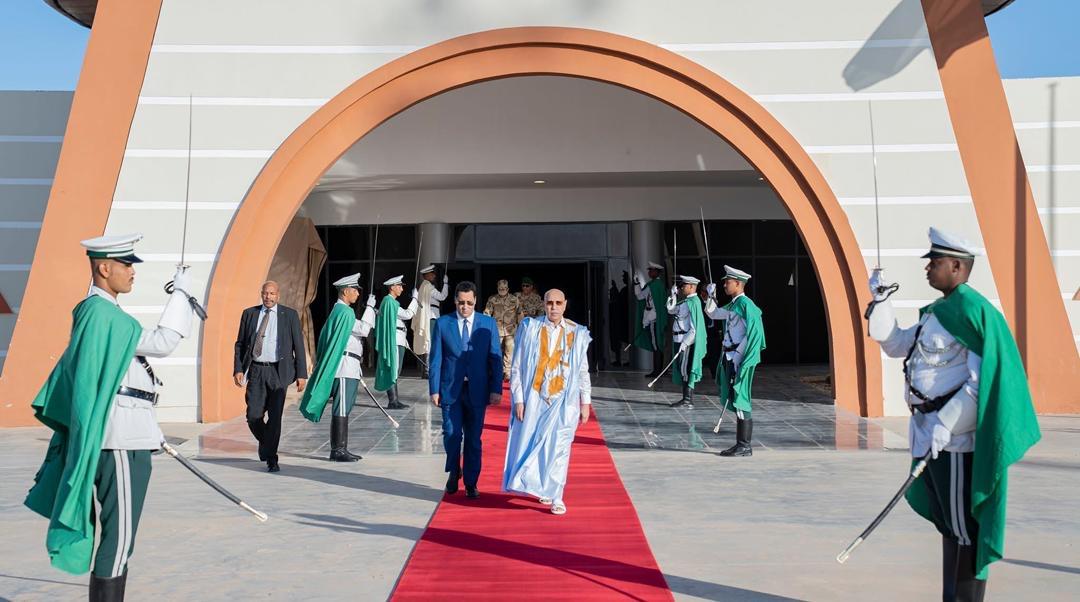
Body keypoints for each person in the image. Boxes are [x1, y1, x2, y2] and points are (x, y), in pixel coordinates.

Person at [867, 228, 1040, 600]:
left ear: (957, 267)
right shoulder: (937, 313)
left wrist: (946, 424)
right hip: (927, 434)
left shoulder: (973, 312)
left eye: (935, 262)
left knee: (964, 529)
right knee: (948, 525)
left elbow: (980, 383)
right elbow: (897, 345)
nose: (928, 268)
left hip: (954, 439)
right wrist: (881, 301)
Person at [24, 234, 196, 599]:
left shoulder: (101, 314)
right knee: (119, 540)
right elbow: (163, 342)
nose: (132, 272)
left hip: (127, 434)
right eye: (126, 264)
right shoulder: (104, 315)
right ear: (104, 268)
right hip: (120, 441)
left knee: (119, 538)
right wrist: (181, 294)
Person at [503, 289, 592, 516]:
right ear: (543, 304)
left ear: (565, 305)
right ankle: (543, 486)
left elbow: (583, 370)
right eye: (550, 303)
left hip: (564, 400)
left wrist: (585, 402)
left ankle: (557, 495)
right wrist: (519, 399)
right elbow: (517, 367)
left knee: (560, 447)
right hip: (535, 398)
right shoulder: (530, 328)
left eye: (558, 303)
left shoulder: (577, 333)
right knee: (536, 445)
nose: (554, 307)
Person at [429, 281, 503, 498]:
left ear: (475, 301)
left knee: (473, 439)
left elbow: (495, 359)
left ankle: (471, 482)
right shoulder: (443, 324)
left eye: (469, 303)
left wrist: (496, 388)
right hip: (450, 389)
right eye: (461, 302)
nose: (465, 307)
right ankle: (454, 470)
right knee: (451, 434)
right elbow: (436, 359)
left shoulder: (488, 324)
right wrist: (434, 389)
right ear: (455, 301)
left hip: (477, 390)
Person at [298, 273, 375, 461]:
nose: (357, 293)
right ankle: (338, 449)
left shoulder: (339, 312)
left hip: (348, 366)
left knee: (344, 407)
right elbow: (364, 330)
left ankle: (340, 448)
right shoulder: (345, 312)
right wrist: (370, 309)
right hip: (345, 368)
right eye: (355, 290)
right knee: (341, 408)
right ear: (345, 291)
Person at [233, 280, 308, 472]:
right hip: (256, 370)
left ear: (278, 295)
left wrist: (301, 373)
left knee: (275, 418)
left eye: (272, 293)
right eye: (266, 293)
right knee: (253, 416)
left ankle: (271, 459)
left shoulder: (289, 315)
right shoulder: (249, 314)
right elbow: (240, 344)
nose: (268, 297)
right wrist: (238, 368)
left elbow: (298, 345)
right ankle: (267, 444)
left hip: (278, 372)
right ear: (261, 294)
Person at [704, 266, 765, 457]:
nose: (724, 285)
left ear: (738, 283)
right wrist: (710, 297)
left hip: (739, 358)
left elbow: (753, 333)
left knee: (741, 398)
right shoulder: (734, 305)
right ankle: (741, 444)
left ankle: (744, 445)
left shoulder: (746, 305)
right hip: (730, 357)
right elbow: (714, 314)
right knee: (735, 396)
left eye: (727, 282)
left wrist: (739, 356)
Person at [374, 275, 418, 409]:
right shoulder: (390, 302)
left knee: (395, 370)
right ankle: (393, 401)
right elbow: (408, 314)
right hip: (394, 340)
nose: (402, 289)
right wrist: (415, 299)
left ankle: (395, 400)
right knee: (393, 370)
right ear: (392, 287)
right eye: (399, 286)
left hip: (399, 338)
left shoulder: (390, 302)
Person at [666, 275, 707, 409]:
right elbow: (671, 310)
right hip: (678, 339)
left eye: (684, 285)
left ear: (691, 286)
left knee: (685, 370)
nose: (681, 288)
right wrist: (672, 296)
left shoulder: (694, 302)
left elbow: (694, 329)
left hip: (685, 341)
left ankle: (687, 399)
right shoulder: (685, 301)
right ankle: (686, 398)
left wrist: (685, 343)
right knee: (681, 368)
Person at [411, 264, 449, 378]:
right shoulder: (429, 287)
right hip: (432, 316)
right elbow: (442, 296)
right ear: (426, 275)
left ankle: (426, 369)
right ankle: (428, 369)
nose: (434, 276)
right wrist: (446, 283)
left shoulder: (423, 286)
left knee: (427, 342)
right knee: (431, 343)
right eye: (432, 274)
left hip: (428, 316)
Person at [633, 262, 668, 377]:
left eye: (652, 270)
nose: (649, 272)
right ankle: (657, 370)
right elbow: (640, 296)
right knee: (655, 345)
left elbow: (658, 306)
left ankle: (657, 371)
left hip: (654, 319)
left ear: (657, 272)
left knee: (656, 345)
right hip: (650, 317)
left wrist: (651, 319)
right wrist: (636, 283)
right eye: (649, 270)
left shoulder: (657, 285)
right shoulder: (651, 285)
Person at [484, 279, 521, 379]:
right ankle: (497, 372)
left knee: (510, 352)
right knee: (497, 352)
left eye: (504, 289)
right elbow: (487, 314)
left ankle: (507, 373)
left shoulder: (514, 299)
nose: (502, 290)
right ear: (497, 288)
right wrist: (487, 328)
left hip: (511, 330)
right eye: (500, 289)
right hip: (497, 330)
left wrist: (520, 327)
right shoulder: (492, 299)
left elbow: (519, 313)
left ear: (508, 289)